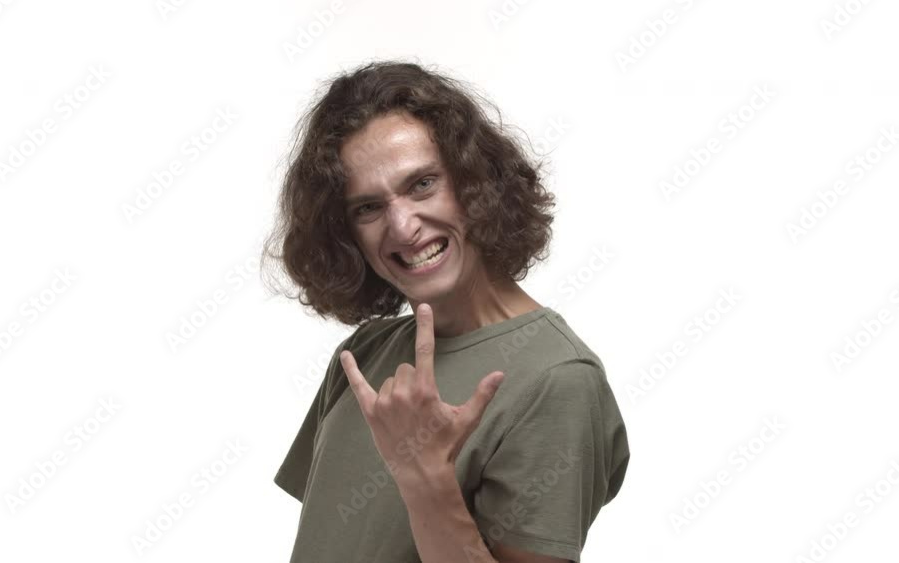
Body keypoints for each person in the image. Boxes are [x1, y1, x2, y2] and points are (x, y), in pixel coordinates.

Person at [261, 59, 629, 563]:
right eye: (367, 207)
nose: (402, 227)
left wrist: (425, 477)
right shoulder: (363, 353)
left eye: (422, 184)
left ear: (476, 182)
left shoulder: (558, 379)